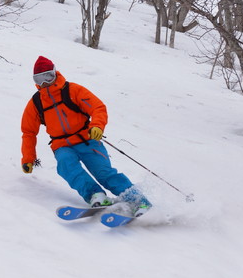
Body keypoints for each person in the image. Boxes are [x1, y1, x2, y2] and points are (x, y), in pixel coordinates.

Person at [20, 56, 152, 216]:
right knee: (67, 166)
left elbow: (98, 108)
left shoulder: (72, 90)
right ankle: (95, 195)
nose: (44, 82)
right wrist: (28, 158)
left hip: (87, 139)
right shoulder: (36, 102)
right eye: (39, 79)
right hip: (61, 145)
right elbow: (28, 132)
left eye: (47, 76)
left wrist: (97, 125)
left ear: (55, 73)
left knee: (104, 174)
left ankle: (139, 201)